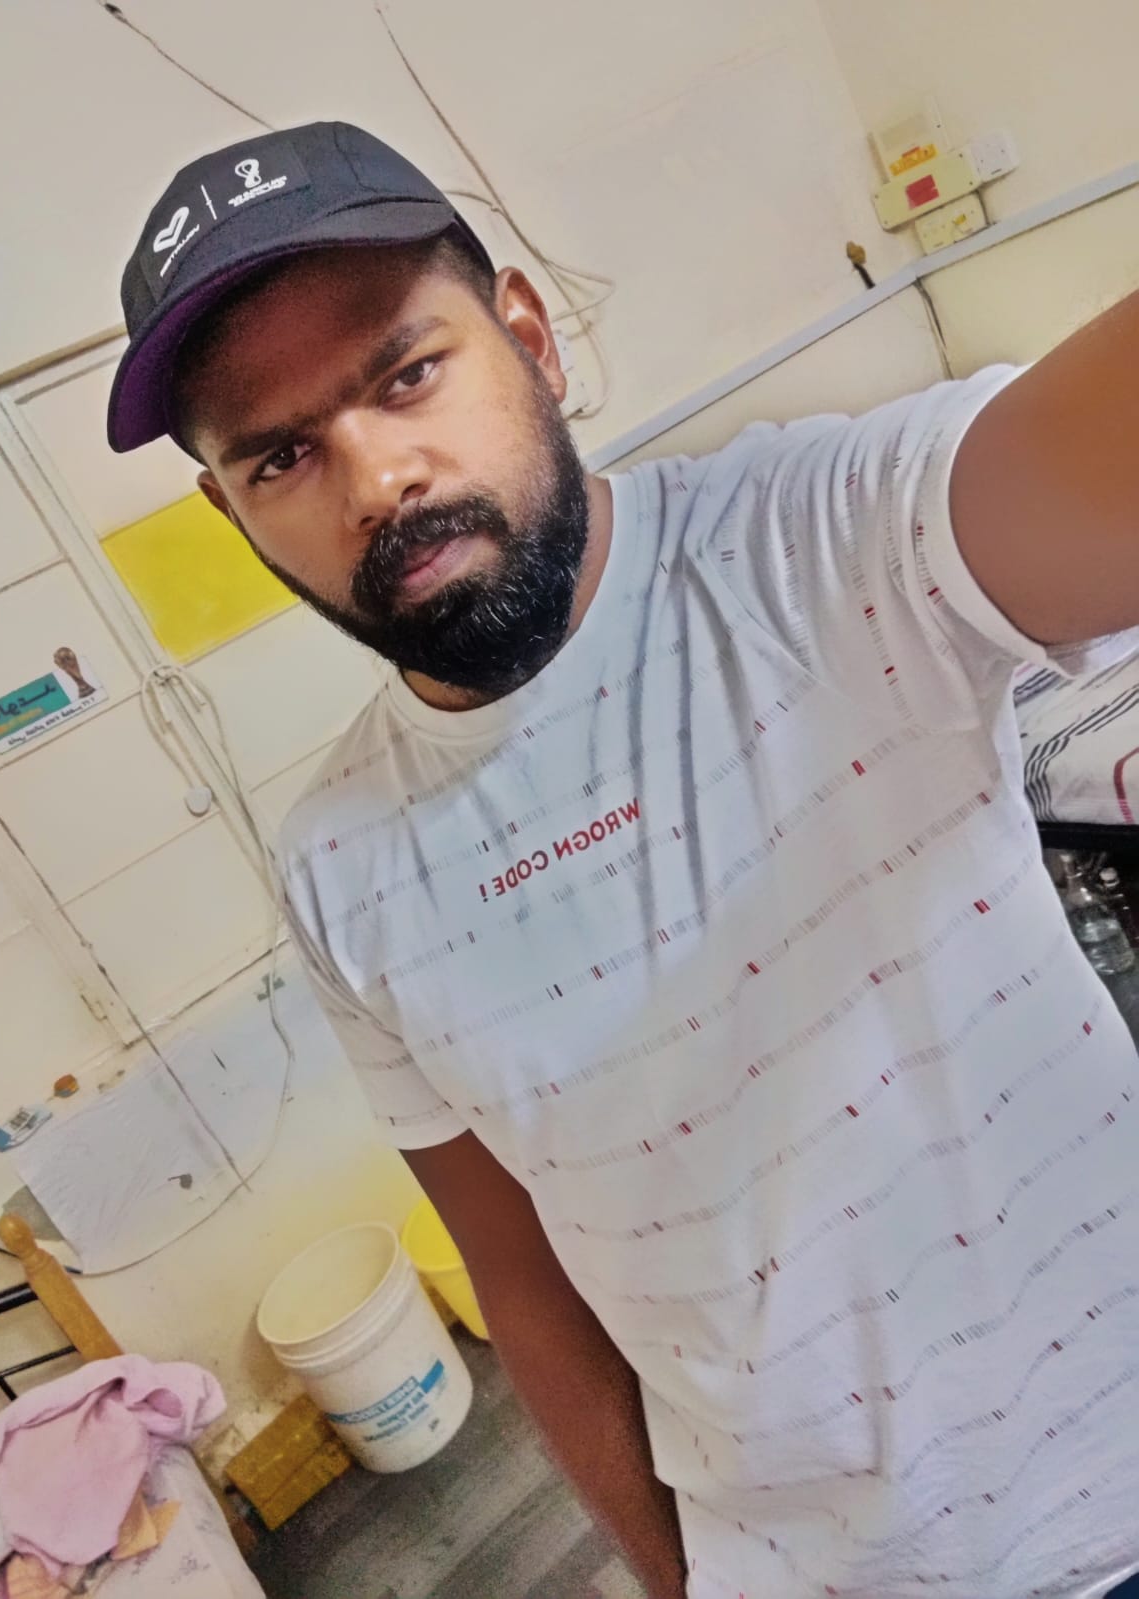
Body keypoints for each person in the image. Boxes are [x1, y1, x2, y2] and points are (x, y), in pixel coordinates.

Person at [109, 121, 1139, 1598]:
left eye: (407, 374)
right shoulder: (340, 865)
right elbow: (522, 1282)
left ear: (528, 337)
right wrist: (676, 1579)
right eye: (283, 455)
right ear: (232, 513)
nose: (375, 478)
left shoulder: (822, 539)